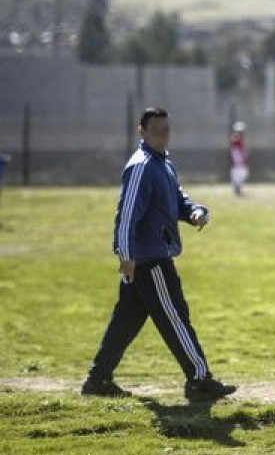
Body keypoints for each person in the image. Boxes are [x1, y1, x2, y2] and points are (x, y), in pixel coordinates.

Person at [81, 107, 237, 402]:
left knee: (125, 321)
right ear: (141, 131)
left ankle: (97, 380)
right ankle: (199, 380)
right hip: (148, 260)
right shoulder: (141, 165)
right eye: (155, 130)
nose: (162, 135)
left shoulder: (162, 163)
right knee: (176, 316)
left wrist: (194, 212)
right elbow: (126, 216)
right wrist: (126, 255)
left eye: (166, 129)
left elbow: (177, 198)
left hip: (145, 259)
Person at [229, 121, 249, 196]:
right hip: (237, 158)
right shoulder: (235, 137)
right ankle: (237, 189)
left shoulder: (241, 139)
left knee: (243, 174)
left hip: (240, 158)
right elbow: (235, 151)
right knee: (237, 175)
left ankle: (238, 189)